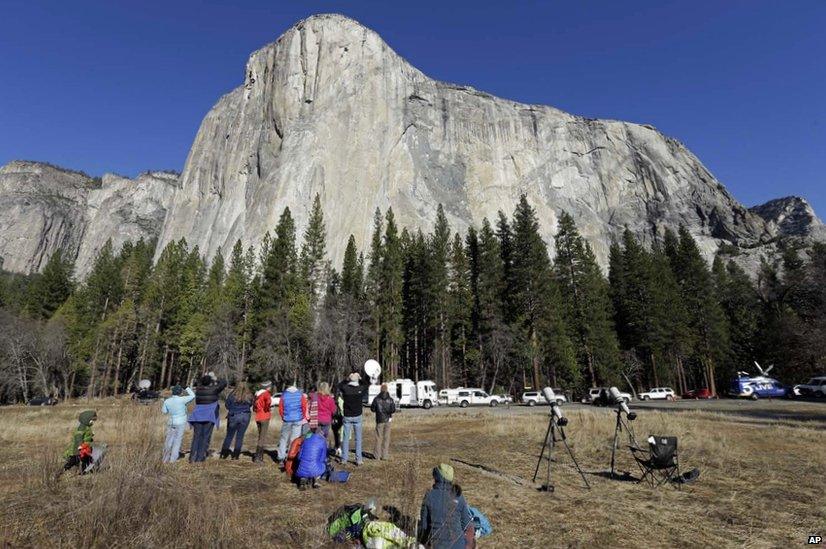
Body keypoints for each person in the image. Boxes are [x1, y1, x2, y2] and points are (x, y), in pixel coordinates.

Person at [418, 463, 473, 549]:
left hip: (436, 545)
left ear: (436, 476)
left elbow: (424, 526)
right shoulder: (458, 496)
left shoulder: (429, 495)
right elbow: (466, 524)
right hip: (458, 545)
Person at [188, 372, 227, 462]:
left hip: (197, 416)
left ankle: (192, 457)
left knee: (196, 437)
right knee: (205, 437)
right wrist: (216, 378)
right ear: (210, 382)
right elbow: (224, 383)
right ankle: (200, 458)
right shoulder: (214, 389)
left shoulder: (198, 389)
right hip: (209, 416)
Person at [339, 372, 367, 465]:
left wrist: (347, 378)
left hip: (347, 416)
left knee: (346, 438)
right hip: (357, 415)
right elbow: (366, 385)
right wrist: (360, 377)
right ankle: (359, 460)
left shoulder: (346, 389)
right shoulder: (360, 389)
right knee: (358, 438)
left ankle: (344, 459)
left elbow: (339, 385)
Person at [161, 385, 195, 463]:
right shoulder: (182, 399)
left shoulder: (167, 401)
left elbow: (164, 411)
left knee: (168, 440)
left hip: (171, 421)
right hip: (181, 422)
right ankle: (173, 460)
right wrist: (187, 388)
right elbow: (193, 396)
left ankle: (165, 459)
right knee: (177, 440)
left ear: (172, 392)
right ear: (180, 392)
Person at [220, 383, 253, 460]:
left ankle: (223, 454)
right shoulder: (249, 396)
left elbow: (227, 405)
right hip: (245, 416)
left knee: (229, 436)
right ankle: (236, 455)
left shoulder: (232, 395)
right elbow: (251, 405)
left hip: (234, 416)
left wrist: (233, 408)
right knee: (240, 437)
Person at [278, 384, 308, 466]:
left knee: (284, 439)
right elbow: (304, 406)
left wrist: (283, 416)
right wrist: (303, 417)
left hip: (287, 419)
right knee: (294, 440)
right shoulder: (300, 395)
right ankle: (291, 458)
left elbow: (280, 408)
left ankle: (281, 458)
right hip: (298, 419)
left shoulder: (284, 395)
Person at [370, 383, 396, 461]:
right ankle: (384, 455)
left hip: (379, 420)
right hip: (388, 420)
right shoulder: (390, 399)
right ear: (387, 390)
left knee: (378, 438)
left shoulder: (376, 399)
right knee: (386, 438)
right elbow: (393, 410)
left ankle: (377, 456)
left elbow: (372, 409)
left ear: (380, 389)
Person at [252, 381, 273, 463]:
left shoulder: (257, 394)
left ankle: (259, 456)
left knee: (260, 436)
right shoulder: (266, 394)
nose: (270, 387)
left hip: (258, 417)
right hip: (265, 416)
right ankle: (258, 458)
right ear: (267, 387)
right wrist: (268, 408)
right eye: (270, 386)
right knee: (262, 438)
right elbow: (268, 403)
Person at [315, 382, 337, 449]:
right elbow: (333, 410)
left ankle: (316, 451)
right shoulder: (330, 399)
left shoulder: (315, 397)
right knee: (324, 437)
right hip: (326, 420)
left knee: (317, 437)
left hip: (317, 419)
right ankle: (324, 452)